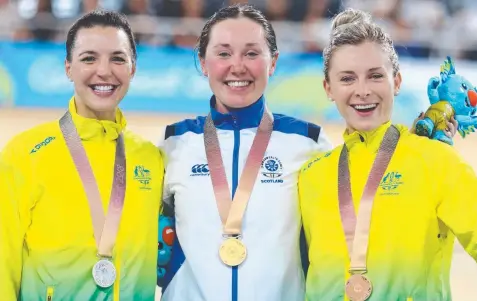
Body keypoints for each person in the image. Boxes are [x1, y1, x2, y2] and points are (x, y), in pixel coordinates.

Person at [156, 4, 333, 301]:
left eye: (252, 53)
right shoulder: (175, 142)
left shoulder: (308, 143)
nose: (237, 66)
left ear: (273, 62)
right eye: (223, 53)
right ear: (203, 62)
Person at [298, 8, 477, 301]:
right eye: (347, 79)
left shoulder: (436, 161)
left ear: (396, 82)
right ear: (328, 88)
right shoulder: (311, 175)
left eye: (375, 76)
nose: (363, 90)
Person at [0, 10, 164, 301]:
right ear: (68, 68)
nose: (104, 71)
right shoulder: (26, 152)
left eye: (118, 58)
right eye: (89, 58)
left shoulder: (151, 158)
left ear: (133, 69)